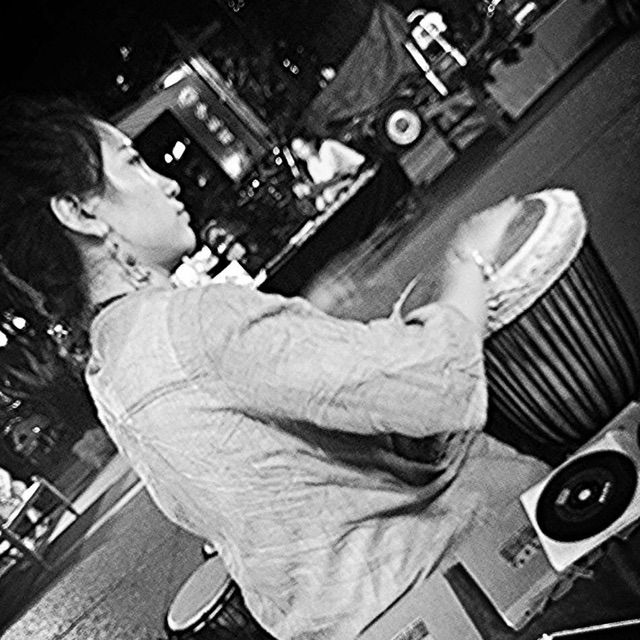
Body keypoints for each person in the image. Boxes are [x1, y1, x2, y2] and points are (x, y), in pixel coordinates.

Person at [0, 95, 548, 640]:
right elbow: (432, 385)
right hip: (436, 582)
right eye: (134, 163)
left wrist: (304, 324)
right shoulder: (197, 320)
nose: (166, 182)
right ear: (79, 213)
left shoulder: (109, 372)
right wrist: (468, 264)